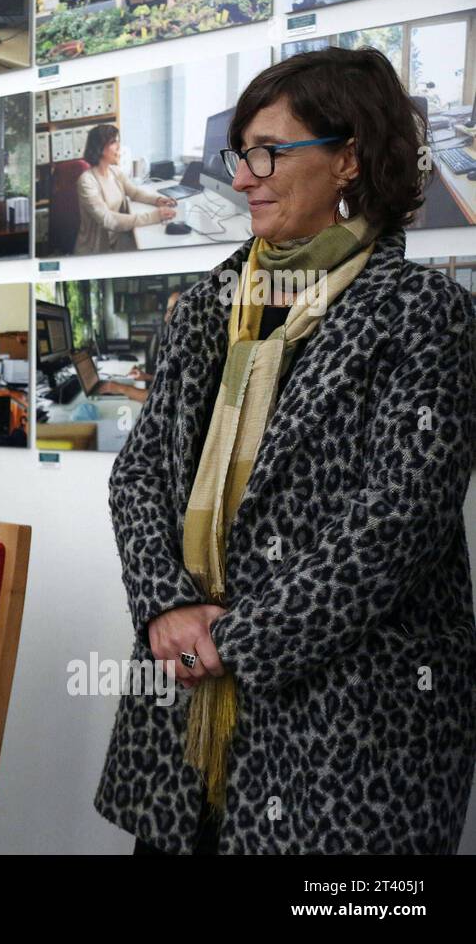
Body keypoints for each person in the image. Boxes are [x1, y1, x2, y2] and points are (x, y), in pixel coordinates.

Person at [95, 46, 476, 854]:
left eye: (269, 152)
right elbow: (139, 479)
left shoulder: (424, 315)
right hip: (188, 716)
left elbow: (393, 530)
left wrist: (229, 642)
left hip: (351, 727)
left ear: (349, 158)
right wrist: (166, 605)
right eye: (243, 153)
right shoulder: (208, 307)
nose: (242, 178)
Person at [73, 124, 176, 255]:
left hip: (116, 242)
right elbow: (107, 219)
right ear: (99, 148)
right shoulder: (86, 181)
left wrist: (158, 200)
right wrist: (154, 216)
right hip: (95, 252)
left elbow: (134, 193)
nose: (119, 146)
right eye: (113, 142)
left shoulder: (115, 172)